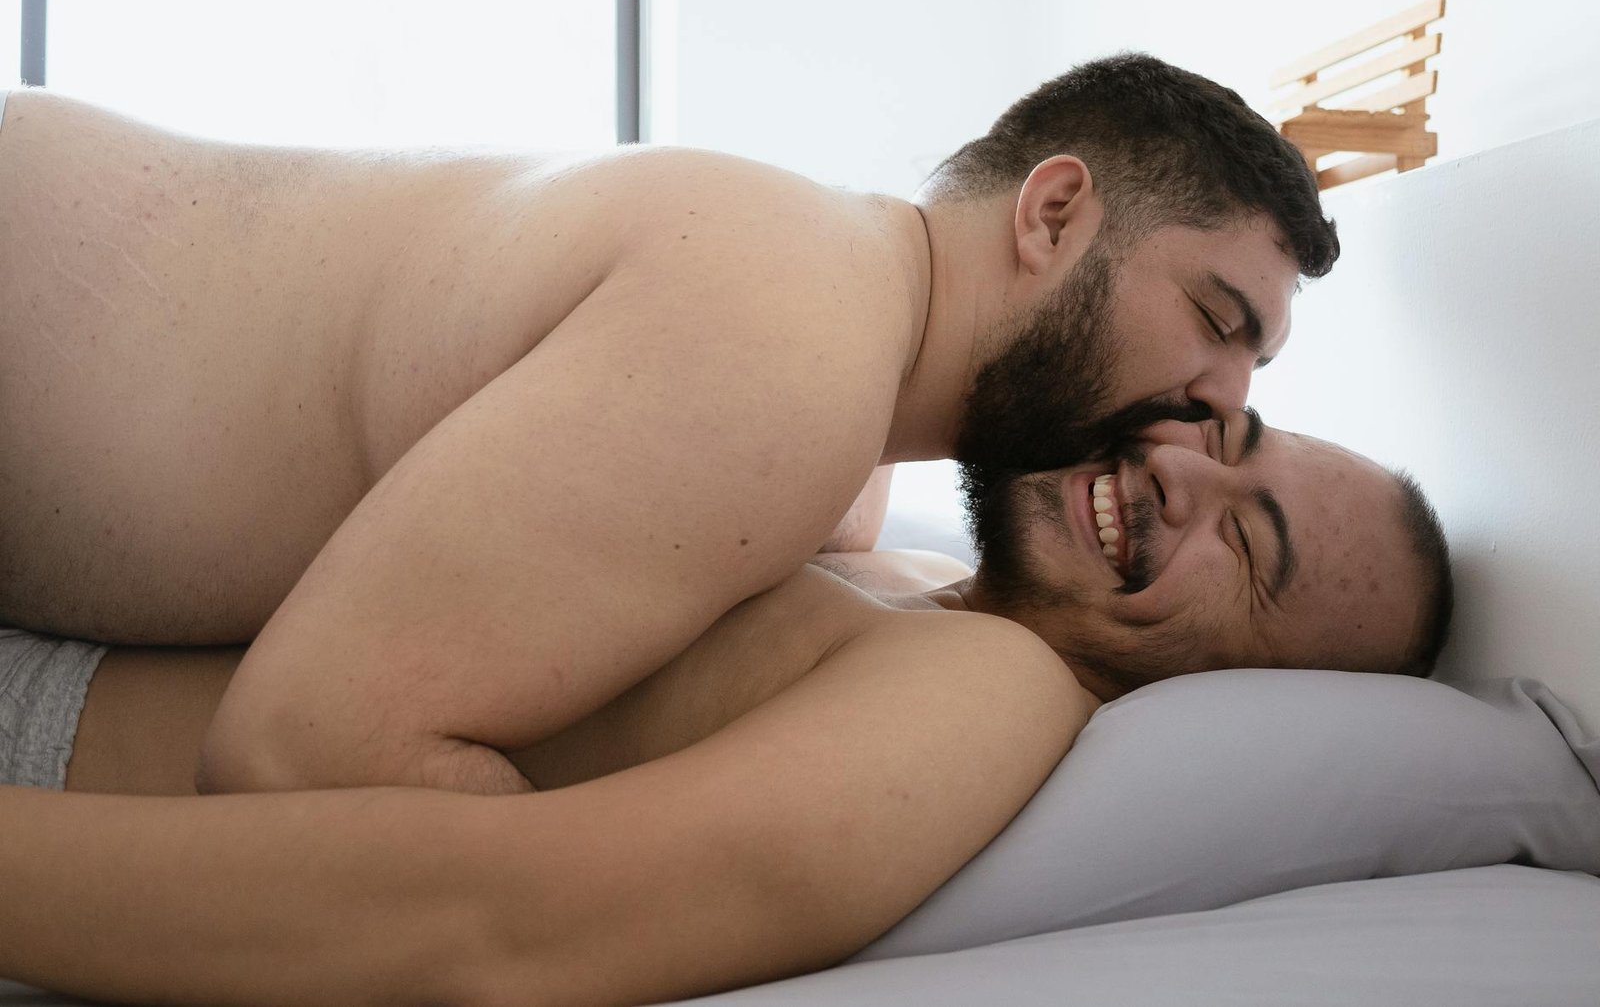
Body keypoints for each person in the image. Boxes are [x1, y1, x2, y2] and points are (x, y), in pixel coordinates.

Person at [0, 53, 1336, 798]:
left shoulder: (839, 308)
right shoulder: (787, 352)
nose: (1212, 409)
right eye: (1220, 321)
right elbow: (297, 751)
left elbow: (830, 508)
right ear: (1051, 217)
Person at [0, 412, 1450, 1005]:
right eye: (1225, 425)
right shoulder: (934, 583)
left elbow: (490, 920)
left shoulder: (990, 694)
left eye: (1248, 550)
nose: (1182, 468)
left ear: (1239, 698)